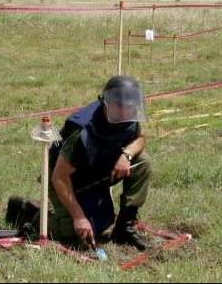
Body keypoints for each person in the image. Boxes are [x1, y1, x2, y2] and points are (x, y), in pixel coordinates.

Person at [48, 75, 151, 251]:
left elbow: (140, 139)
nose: (127, 112)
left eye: (131, 107)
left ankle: (124, 229)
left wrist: (126, 155)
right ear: (107, 104)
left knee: (142, 162)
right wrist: (79, 217)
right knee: (74, 231)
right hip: (68, 181)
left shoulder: (128, 118)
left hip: (97, 174)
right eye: (122, 106)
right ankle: (28, 213)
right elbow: (60, 177)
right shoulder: (82, 131)